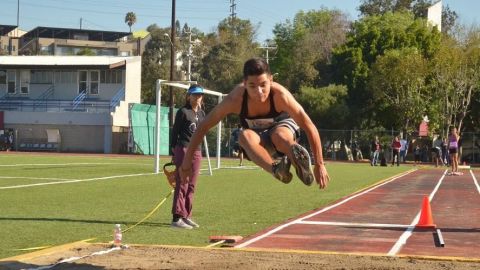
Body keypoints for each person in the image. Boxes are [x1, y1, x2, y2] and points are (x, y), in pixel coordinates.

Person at [180, 58, 329, 189]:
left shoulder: (280, 96)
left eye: (263, 84)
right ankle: (277, 170)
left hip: (282, 129)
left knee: (279, 135)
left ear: (271, 80)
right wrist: (186, 164)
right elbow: (203, 126)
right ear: (244, 83)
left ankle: (296, 159)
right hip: (258, 140)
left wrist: (320, 164)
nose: (259, 91)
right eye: (252, 86)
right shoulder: (235, 99)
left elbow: (308, 125)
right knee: (244, 136)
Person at [170, 84, 206, 229]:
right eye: (195, 95)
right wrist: (174, 152)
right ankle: (176, 218)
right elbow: (175, 133)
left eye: (199, 95)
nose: (197, 97)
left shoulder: (202, 113)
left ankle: (186, 215)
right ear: (188, 96)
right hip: (183, 149)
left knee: (192, 185)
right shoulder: (183, 112)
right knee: (182, 183)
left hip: (197, 151)